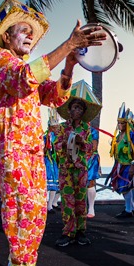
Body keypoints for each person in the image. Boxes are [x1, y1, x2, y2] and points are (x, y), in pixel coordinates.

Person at [0, 0, 106, 266]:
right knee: (22, 208)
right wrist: (67, 45)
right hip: (11, 148)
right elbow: (24, 79)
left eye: (31, 32)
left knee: (35, 208)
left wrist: (69, 64)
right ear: (6, 37)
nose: (28, 36)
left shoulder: (23, 65)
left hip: (30, 149)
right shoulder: (0, 59)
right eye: (22, 30)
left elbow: (54, 96)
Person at [53, 83, 101, 247]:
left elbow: (91, 148)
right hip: (66, 169)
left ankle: (81, 231)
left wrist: (81, 143)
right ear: (69, 110)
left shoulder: (87, 129)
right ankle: (68, 232)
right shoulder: (62, 128)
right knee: (67, 200)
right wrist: (65, 143)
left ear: (83, 112)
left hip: (80, 169)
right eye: (74, 107)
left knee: (80, 200)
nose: (77, 111)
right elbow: (55, 146)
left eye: (80, 108)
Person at [108, 103, 134, 218]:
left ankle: (128, 209)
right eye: (118, 123)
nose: (119, 125)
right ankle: (132, 208)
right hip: (119, 164)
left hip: (128, 165)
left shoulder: (131, 135)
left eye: (122, 123)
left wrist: (133, 165)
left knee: (126, 186)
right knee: (128, 186)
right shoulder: (118, 136)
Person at [44, 111, 61, 214]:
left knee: (56, 184)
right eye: (54, 127)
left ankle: (51, 204)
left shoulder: (59, 137)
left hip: (55, 162)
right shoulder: (46, 137)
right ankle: (46, 205)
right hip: (48, 161)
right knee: (48, 183)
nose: (56, 129)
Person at [86, 126, 100, 218]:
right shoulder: (73, 129)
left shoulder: (92, 131)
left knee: (90, 182)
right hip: (76, 158)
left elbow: (94, 147)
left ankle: (91, 208)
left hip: (90, 159)